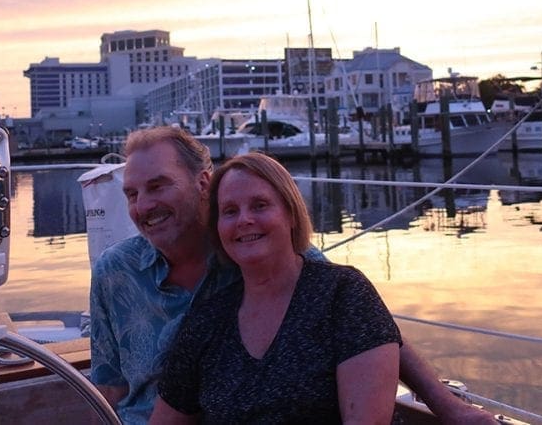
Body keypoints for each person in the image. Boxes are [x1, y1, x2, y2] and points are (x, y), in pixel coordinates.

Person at [90, 126, 493, 424]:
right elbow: (110, 386)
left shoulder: (268, 256)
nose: (143, 205)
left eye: (158, 187)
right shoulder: (114, 272)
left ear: (202, 184)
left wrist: (448, 405)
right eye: (132, 194)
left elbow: (364, 324)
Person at [150, 152, 401, 423]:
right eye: (230, 211)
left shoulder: (343, 294)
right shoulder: (206, 321)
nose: (244, 220)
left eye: (259, 205)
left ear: (291, 214)